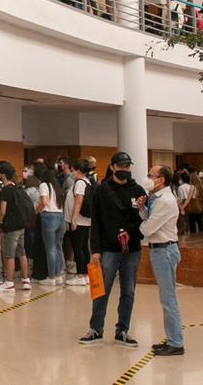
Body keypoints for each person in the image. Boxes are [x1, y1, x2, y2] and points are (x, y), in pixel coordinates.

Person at [79, 152, 147, 348]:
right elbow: (96, 222)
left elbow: (142, 219)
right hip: (108, 249)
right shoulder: (101, 190)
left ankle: (122, 330)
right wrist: (95, 250)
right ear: (112, 166)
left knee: (128, 291)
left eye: (127, 166)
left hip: (132, 248)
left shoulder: (139, 190)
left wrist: (129, 231)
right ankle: (96, 329)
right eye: (121, 166)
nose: (124, 169)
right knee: (102, 290)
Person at [137, 165, 183, 356]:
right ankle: (172, 339)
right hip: (159, 250)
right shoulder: (157, 199)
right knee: (166, 298)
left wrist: (143, 224)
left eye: (151, 175)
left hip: (164, 250)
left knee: (168, 299)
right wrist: (142, 209)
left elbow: (148, 230)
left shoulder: (165, 201)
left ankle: (176, 343)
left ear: (161, 180)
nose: (147, 178)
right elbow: (150, 221)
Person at [0, 162, 30, 293]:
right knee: (22, 252)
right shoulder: (17, 187)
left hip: (11, 227)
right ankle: (25, 280)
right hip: (21, 225)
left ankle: (9, 282)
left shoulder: (5, 190)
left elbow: (2, 211)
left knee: (9, 255)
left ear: (2, 175)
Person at [35, 164, 66, 285]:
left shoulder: (44, 185)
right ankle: (58, 275)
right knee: (58, 247)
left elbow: (44, 201)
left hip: (49, 217)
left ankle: (51, 277)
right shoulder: (57, 186)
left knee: (50, 249)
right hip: (60, 216)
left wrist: (36, 211)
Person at [65, 159, 93, 286]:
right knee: (83, 247)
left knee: (78, 247)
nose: (72, 173)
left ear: (80, 171)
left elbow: (79, 201)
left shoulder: (80, 183)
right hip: (85, 220)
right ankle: (86, 274)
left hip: (79, 220)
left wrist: (74, 219)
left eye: (74, 170)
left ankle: (80, 275)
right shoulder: (87, 182)